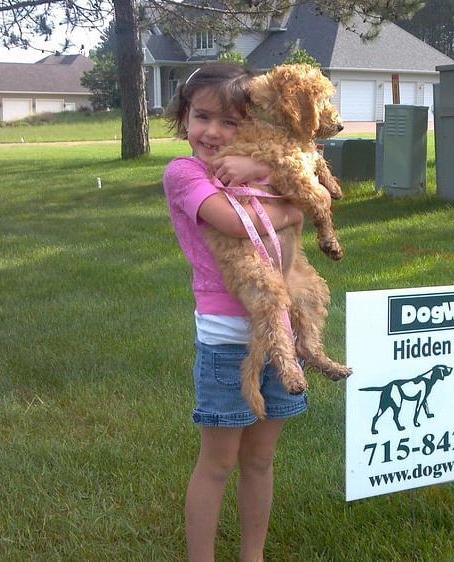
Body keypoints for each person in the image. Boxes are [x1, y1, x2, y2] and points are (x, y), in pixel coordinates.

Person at [163, 62, 311, 562]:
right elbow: (233, 222)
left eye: (232, 122)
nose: (214, 132)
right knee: (219, 461)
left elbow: (312, 174)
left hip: (280, 331)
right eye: (203, 116)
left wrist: (260, 170)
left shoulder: (257, 166)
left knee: (261, 458)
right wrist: (292, 209)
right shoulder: (184, 173)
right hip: (227, 336)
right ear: (184, 116)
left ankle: (254, 555)